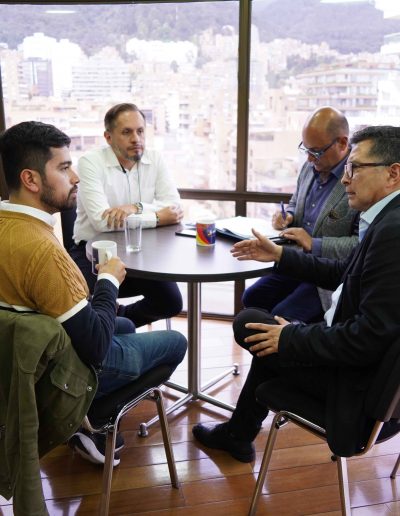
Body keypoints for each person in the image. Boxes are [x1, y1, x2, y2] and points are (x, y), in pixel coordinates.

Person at [192, 125, 400, 462]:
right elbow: (343, 273)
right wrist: (279, 255)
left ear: (392, 174)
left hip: (356, 390)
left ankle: (238, 434)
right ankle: (238, 434)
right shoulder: (387, 220)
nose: (345, 179)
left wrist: (293, 337)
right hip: (361, 369)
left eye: (355, 168)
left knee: (251, 324)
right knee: (267, 332)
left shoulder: (393, 232)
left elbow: (368, 337)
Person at [0, 121, 187, 466]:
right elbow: (96, 347)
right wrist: (108, 280)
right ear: (31, 179)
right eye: (64, 168)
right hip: (63, 375)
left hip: (23, 364)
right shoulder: (42, 250)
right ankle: (90, 414)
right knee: (176, 342)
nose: (74, 178)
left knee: (125, 326)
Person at [69, 103, 184, 328]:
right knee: (84, 304)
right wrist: (158, 217)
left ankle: (118, 321)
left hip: (143, 252)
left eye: (140, 131)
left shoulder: (155, 159)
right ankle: (110, 327)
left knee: (170, 302)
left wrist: (136, 207)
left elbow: (174, 207)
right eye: (126, 132)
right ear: (108, 137)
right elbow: (102, 221)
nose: (136, 139)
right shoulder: (90, 162)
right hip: (94, 254)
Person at [243, 106, 359, 323]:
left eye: (316, 152)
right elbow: (295, 203)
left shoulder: (359, 177)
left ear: (342, 143)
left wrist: (314, 244)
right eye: (305, 150)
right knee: (252, 297)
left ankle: (291, 341)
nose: (309, 159)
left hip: (328, 275)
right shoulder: (310, 166)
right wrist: (288, 215)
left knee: (282, 314)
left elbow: (360, 245)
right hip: (297, 261)